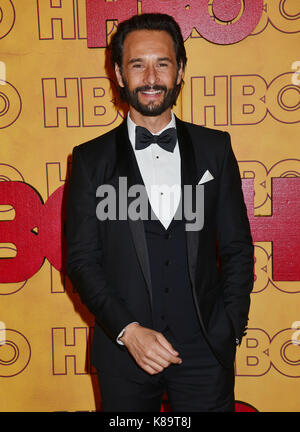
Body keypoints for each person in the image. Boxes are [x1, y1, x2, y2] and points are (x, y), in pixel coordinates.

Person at [65, 13, 254, 412]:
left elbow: (237, 248)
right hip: (124, 357)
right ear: (118, 74)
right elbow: (82, 261)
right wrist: (128, 332)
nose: (151, 76)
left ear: (180, 69)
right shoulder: (89, 160)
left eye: (162, 63)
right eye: (137, 64)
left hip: (205, 352)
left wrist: (230, 329)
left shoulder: (214, 149)